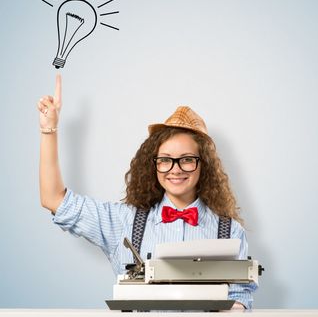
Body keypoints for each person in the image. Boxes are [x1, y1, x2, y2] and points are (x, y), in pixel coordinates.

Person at [37, 74, 258, 309]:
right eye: (165, 160)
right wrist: (49, 130)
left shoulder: (230, 231)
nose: (175, 170)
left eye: (187, 160)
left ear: (203, 165)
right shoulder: (123, 221)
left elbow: (240, 298)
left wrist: (234, 309)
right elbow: (53, 199)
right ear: (153, 165)